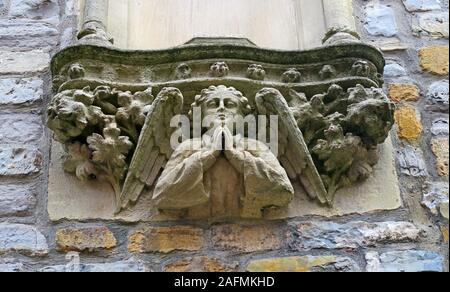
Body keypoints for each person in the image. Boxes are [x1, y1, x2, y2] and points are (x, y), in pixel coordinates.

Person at [152, 85, 294, 218]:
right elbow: (161, 195)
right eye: (213, 104)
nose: (221, 108)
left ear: (242, 116)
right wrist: (208, 155)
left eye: (229, 104)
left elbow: (283, 189)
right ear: (200, 117)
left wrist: (236, 156)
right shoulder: (188, 147)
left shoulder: (253, 145)